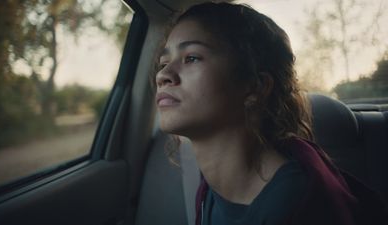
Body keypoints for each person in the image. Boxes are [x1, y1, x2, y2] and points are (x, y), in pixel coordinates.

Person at [152, 2, 387, 225]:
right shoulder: (211, 187)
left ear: (255, 87)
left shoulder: (297, 203)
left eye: (191, 58)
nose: (164, 75)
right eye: (163, 63)